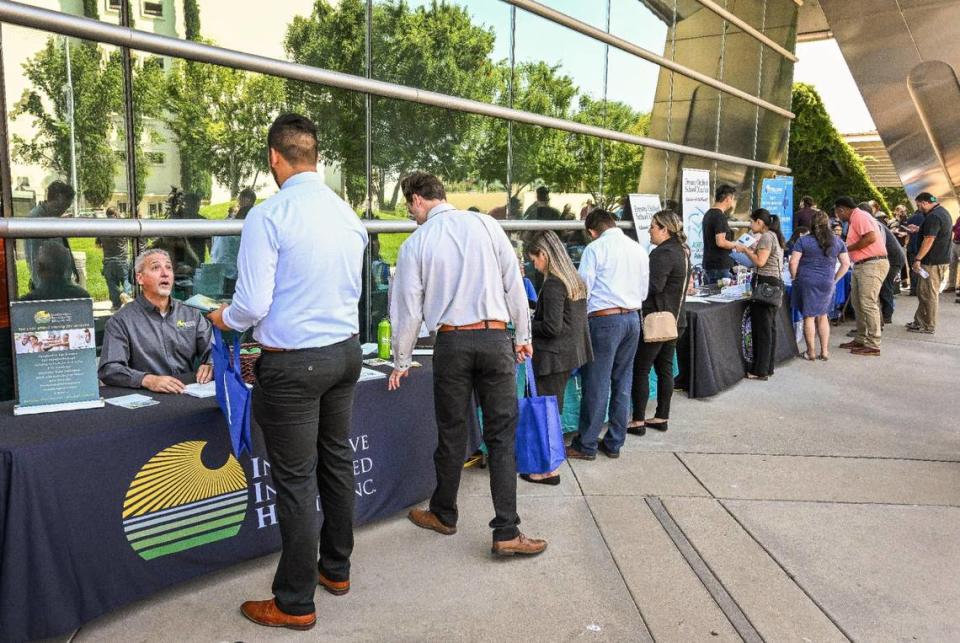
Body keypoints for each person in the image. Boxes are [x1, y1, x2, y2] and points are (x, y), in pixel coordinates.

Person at [208, 114, 368, 630]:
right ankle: (336, 569)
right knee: (336, 461)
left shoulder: (270, 215)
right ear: (314, 156)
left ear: (274, 158)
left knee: (296, 482)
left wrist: (222, 318)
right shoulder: (349, 216)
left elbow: (250, 305)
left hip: (294, 363)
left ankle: (295, 602)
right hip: (344, 353)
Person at [387, 171, 546, 557]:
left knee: (452, 433)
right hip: (495, 338)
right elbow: (514, 282)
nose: (411, 214)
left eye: (410, 206)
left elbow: (406, 308)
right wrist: (523, 337)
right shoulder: (486, 225)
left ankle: (444, 513)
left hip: (453, 342)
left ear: (418, 199)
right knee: (501, 437)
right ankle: (506, 529)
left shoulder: (417, 243)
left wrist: (401, 360)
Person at [567, 208, 648, 458]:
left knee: (597, 383)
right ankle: (614, 442)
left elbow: (583, 288)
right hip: (632, 318)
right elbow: (644, 292)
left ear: (592, 231)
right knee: (623, 382)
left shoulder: (595, 249)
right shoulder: (637, 248)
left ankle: (587, 444)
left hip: (604, 320)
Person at [521, 230, 592, 485]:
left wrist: (529, 322)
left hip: (552, 358)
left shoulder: (553, 283)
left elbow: (551, 327)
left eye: (535, 260)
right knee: (553, 410)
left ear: (544, 254)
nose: (535, 266)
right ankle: (549, 465)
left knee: (545, 413)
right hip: (568, 356)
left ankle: (548, 469)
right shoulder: (573, 279)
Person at [99, 249, 212, 391]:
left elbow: (214, 349)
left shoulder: (191, 313)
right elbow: (109, 368)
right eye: (155, 267)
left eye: (169, 267)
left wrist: (210, 364)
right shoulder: (121, 321)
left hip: (189, 391)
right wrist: (147, 380)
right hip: (148, 397)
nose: (165, 273)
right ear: (140, 278)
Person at [630, 210, 689, 433]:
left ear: (664, 229)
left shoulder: (662, 253)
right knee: (664, 369)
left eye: (653, 227)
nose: (649, 231)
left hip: (657, 319)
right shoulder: (681, 251)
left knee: (641, 369)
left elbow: (652, 287)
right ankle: (661, 415)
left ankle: (637, 419)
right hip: (674, 319)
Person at [789, 211, 851, 360]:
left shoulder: (803, 241)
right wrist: (835, 279)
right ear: (828, 224)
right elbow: (846, 264)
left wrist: (794, 276)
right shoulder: (837, 241)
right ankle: (824, 351)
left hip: (806, 281)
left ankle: (811, 352)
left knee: (808, 317)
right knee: (823, 316)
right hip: (826, 282)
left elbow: (793, 262)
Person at [834, 197, 889, 356]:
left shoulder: (859, 216)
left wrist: (847, 248)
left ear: (842, 209)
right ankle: (861, 338)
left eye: (838, 212)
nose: (838, 216)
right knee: (858, 303)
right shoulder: (856, 218)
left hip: (871, 264)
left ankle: (873, 344)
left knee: (867, 303)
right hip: (862, 264)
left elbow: (870, 238)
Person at [734, 209, 785, 379]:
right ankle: (767, 367)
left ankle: (760, 370)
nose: (749, 225)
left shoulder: (766, 237)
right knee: (769, 329)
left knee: (762, 330)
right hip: (773, 285)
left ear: (760, 223)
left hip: (765, 286)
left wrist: (746, 250)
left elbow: (760, 262)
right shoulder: (774, 236)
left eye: (752, 221)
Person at [906, 192, 952, 334]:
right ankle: (919, 321)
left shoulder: (933, 216)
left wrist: (918, 259)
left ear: (925, 202)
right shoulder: (942, 212)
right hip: (939, 260)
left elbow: (929, 239)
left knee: (929, 295)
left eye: (919, 205)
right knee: (923, 293)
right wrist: (919, 229)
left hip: (931, 263)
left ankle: (928, 326)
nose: (919, 208)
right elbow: (937, 233)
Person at [24, 180, 80, 289]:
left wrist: (73, 269)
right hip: (48, 286)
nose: (62, 211)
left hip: (61, 282)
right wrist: (42, 289)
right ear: (51, 200)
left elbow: (63, 245)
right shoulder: (35, 219)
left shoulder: (53, 216)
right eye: (59, 207)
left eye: (66, 207)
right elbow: (33, 258)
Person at [210, 188, 256, 295]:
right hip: (230, 271)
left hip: (223, 268)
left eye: (241, 199)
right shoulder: (236, 222)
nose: (239, 201)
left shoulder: (230, 222)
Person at [21, 242, 91, 301]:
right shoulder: (82, 297)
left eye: (36, 262)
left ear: (40, 268)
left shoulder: (27, 302)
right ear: (65, 266)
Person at [702, 184, 739, 284]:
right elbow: (721, 242)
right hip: (719, 266)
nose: (732, 202)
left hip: (710, 264)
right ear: (727, 199)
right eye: (732, 199)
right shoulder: (719, 216)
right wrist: (736, 244)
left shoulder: (708, 214)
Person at [95, 207, 131, 309]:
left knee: (111, 284)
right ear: (116, 214)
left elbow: (97, 245)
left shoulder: (102, 228)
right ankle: (125, 293)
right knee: (126, 280)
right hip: (122, 259)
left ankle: (116, 305)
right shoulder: (123, 226)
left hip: (108, 260)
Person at [904, 207, 926, 295]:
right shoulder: (926, 218)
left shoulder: (911, 218)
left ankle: (913, 289)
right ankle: (921, 289)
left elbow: (907, 233)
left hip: (911, 247)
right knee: (921, 267)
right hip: (921, 247)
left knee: (912, 268)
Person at [947, 213, 960, 293]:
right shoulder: (959, 218)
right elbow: (955, 228)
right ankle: (951, 285)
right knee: (952, 265)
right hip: (955, 243)